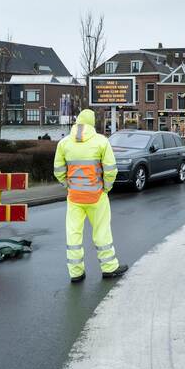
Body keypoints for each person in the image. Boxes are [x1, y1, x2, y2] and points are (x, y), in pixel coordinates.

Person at [53, 109, 128, 283]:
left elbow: (58, 171)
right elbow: (111, 170)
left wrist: (68, 185)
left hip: (74, 197)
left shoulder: (64, 143)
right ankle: (109, 267)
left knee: (73, 234)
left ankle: (76, 272)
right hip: (96, 196)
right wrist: (106, 188)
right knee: (102, 231)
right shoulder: (101, 141)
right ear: (92, 123)